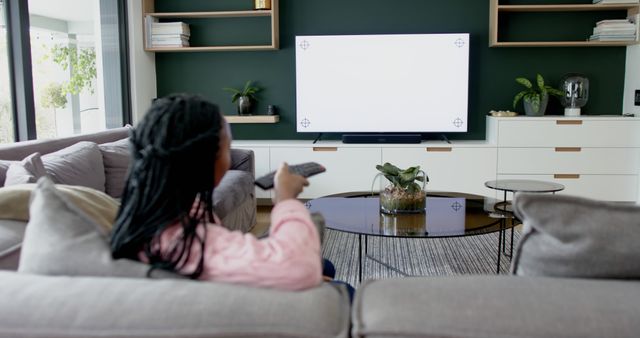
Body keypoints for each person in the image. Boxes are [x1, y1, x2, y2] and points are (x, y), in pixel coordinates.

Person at [110, 94, 326, 291]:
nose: (230, 155)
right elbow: (297, 269)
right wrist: (285, 199)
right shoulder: (184, 241)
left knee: (327, 266)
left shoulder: (154, 215)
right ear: (204, 159)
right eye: (228, 146)